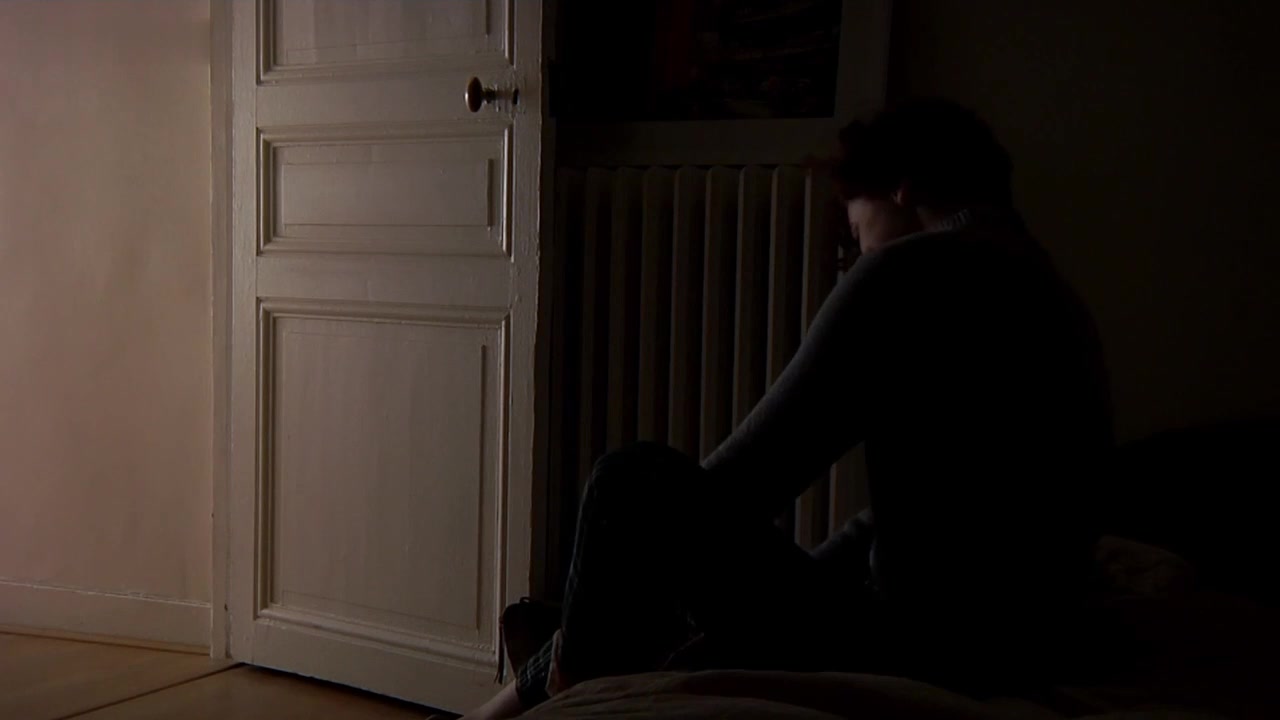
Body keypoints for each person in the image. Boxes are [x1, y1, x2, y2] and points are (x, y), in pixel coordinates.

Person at [463, 98, 1113, 719]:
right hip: (1035, 647)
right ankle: (544, 675)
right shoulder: (1058, 297)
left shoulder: (911, 272)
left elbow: (741, 484)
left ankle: (547, 694)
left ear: (901, 188)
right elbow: (909, 519)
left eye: (857, 230)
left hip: (926, 653)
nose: (860, 253)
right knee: (641, 598)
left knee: (631, 484)